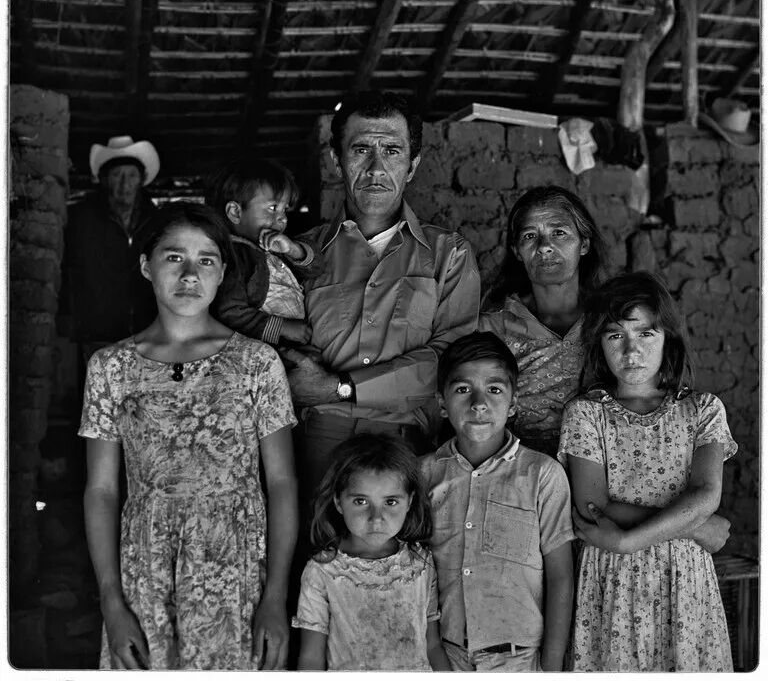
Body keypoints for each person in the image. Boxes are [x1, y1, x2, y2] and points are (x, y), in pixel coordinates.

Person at [79, 203, 298, 670]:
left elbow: (281, 483)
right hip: (145, 572)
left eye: (206, 260)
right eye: (174, 257)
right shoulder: (110, 368)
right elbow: (101, 490)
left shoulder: (256, 364)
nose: (190, 275)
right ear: (146, 266)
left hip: (236, 571)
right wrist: (112, 603)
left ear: (222, 274)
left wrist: (275, 597)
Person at [283, 90, 481, 502]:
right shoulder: (301, 255)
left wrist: (339, 387)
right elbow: (287, 352)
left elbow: (450, 361)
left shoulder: (449, 255)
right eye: (361, 150)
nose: (376, 168)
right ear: (336, 160)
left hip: (409, 444)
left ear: (412, 166)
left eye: (392, 151)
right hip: (318, 442)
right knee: (319, 539)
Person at [558, 271, 736, 671]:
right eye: (615, 336)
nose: (631, 350)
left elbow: (705, 496)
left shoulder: (703, 410)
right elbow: (594, 505)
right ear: (599, 344)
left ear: (667, 337)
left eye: (645, 334)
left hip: (683, 581)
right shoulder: (586, 414)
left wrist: (627, 541)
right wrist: (695, 528)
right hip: (612, 582)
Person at [422, 331, 574, 672]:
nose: (479, 404)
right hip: (444, 654)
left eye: (494, 390)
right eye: (463, 390)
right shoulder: (424, 475)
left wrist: (551, 666)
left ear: (514, 403)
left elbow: (561, 576)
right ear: (442, 404)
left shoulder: (542, 475)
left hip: (520, 657)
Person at [292, 433, 450, 671]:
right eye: (361, 501)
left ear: (409, 502)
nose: (376, 518)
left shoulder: (420, 564)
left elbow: (433, 646)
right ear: (338, 502)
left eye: (390, 502)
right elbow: (311, 659)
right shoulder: (323, 571)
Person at [479, 185, 608, 458]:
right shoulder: (493, 326)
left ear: (584, 244)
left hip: (603, 464)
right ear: (517, 251)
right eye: (530, 236)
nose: (545, 246)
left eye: (559, 233)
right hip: (520, 467)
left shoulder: (611, 320)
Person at [61, 135, 161, 370]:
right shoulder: (82, 220)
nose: (124, 184)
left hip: (147, 334)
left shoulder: (157, 222)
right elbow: (65, 271)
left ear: (141, 180)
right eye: (117, 175)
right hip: (97, 333)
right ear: (105, 180)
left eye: (131, 175)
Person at [206, 156, 323, 346]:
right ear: (235, 212)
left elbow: (317, 269)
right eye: (273, 208)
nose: (283, 218)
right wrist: (282, 328)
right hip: (265, 350)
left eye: (285, 209)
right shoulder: (234, 257)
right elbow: (229, 311)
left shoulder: (272, 246)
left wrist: (293, 249)